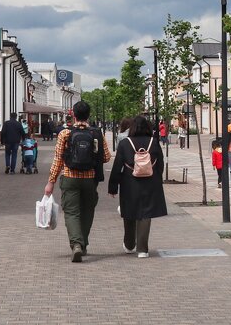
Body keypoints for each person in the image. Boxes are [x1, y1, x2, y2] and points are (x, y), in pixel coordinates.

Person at [43, 100, 111, 263]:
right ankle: (83, 243)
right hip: (90, 179)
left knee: (72, 212)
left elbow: (58, 159)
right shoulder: (96, 134)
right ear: (88, 115)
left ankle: (77, 244)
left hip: (70, 177)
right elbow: (106, 157)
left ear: (73, 114)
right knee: (87, 211)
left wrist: (51, 181)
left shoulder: (65, 134)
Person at [108, 114, 167, 258]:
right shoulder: (154, 142)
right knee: (146, 214)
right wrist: (157, 177)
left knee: (129, 211)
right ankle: (142, 249)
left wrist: (113, 186)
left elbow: (117, 166)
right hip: (150, 181)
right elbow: (160, 163)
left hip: (129, 181)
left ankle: (129, 244)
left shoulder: (124, 143)